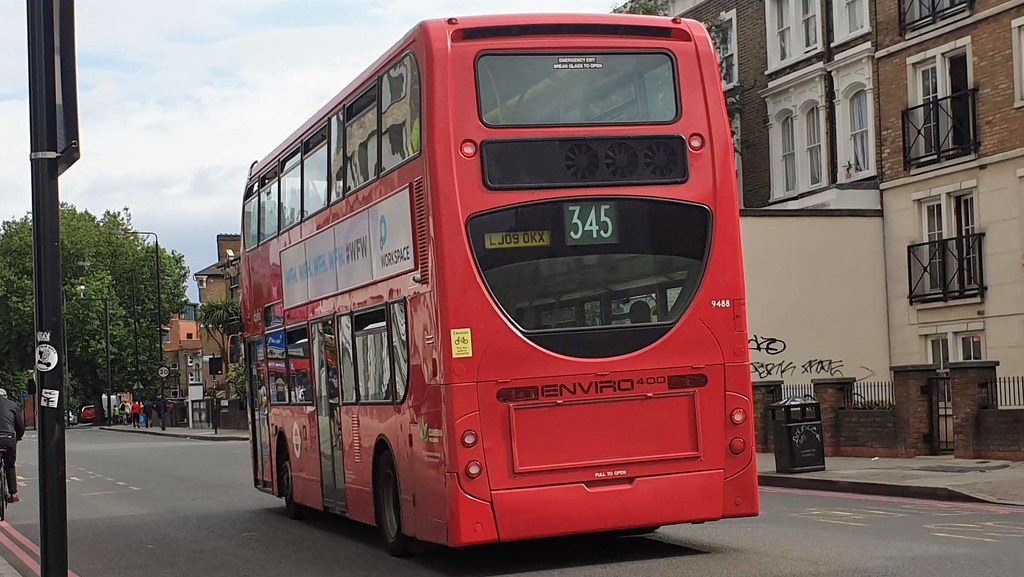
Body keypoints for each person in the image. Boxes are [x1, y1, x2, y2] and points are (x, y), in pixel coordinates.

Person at [0, 388, 25, 503]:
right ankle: (13, 494)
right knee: (10, 466)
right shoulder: (12, 405)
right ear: (5, 396)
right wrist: (18, 437)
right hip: (9, 438)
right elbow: (20, 425)